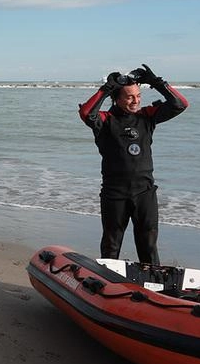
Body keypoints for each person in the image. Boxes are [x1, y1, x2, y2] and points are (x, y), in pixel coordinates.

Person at [78, 64, 189, 265]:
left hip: (144, 192)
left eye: (138, 95)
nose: (136, 100)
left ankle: (153, 284)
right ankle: (107, 285)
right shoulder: (105, 120)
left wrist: (157, 83)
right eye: (129, 97)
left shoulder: (146, 116)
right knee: (112, 244)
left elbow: (180, 104)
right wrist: (105, 89)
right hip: (115, 193)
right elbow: (87, 113)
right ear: (117, 98)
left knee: (148, 244)